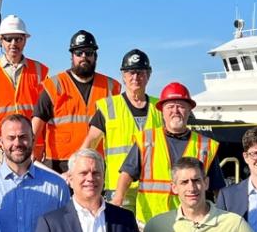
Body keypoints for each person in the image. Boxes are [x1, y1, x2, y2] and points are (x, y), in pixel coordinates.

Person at [112, 81, 223, 221]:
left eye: (181, 106)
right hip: (151, 222)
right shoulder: (146, 140)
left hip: (190, 221)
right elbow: (126, 174)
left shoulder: (206, 145)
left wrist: (222, 217)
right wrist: (117, 200)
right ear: (162, 112)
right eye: (170, 107)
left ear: (189, 110)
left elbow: (218, 189)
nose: (175, 111)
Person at [82, 48, 162, 210]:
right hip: (118, 190)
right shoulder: (109, 107)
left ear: (149, 74)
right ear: (123, 76)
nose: (135, 77)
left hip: (154, 189)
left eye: (140, 72)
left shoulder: (160, 108)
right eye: (131, 72)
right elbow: (89, 144)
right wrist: (77, 172)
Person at [32, 30, 120, 172]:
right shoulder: (54, 85)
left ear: (95, 56)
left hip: (95, 162)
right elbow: (37, 122)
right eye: (79, 53)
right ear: (72, 56)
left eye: (88, 53)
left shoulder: (111, 87)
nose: (84, 57)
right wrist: (29, 151)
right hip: (58, 164)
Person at [0, 15, 49, 153]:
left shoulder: (39, 71)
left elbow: (47, 108)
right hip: (1, 144)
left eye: (18, 39)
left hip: (32, 145)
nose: (13, 43)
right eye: (8, 39)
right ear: (1, 41)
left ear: (25, 41)